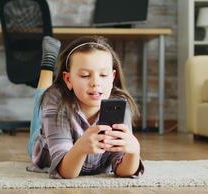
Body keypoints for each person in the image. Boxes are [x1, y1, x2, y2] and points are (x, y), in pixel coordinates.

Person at [27, 35, 144, 179]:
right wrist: (80, 148)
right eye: (85, 75)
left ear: (113, 77)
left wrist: (134, 152)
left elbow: (123, 171)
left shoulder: (120, 104)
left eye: (103, 75)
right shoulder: (55, 101)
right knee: (44, 101)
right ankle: (47, 68)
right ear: (68, 79)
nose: (95, 83)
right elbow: (66, 173)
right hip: (45, 146)